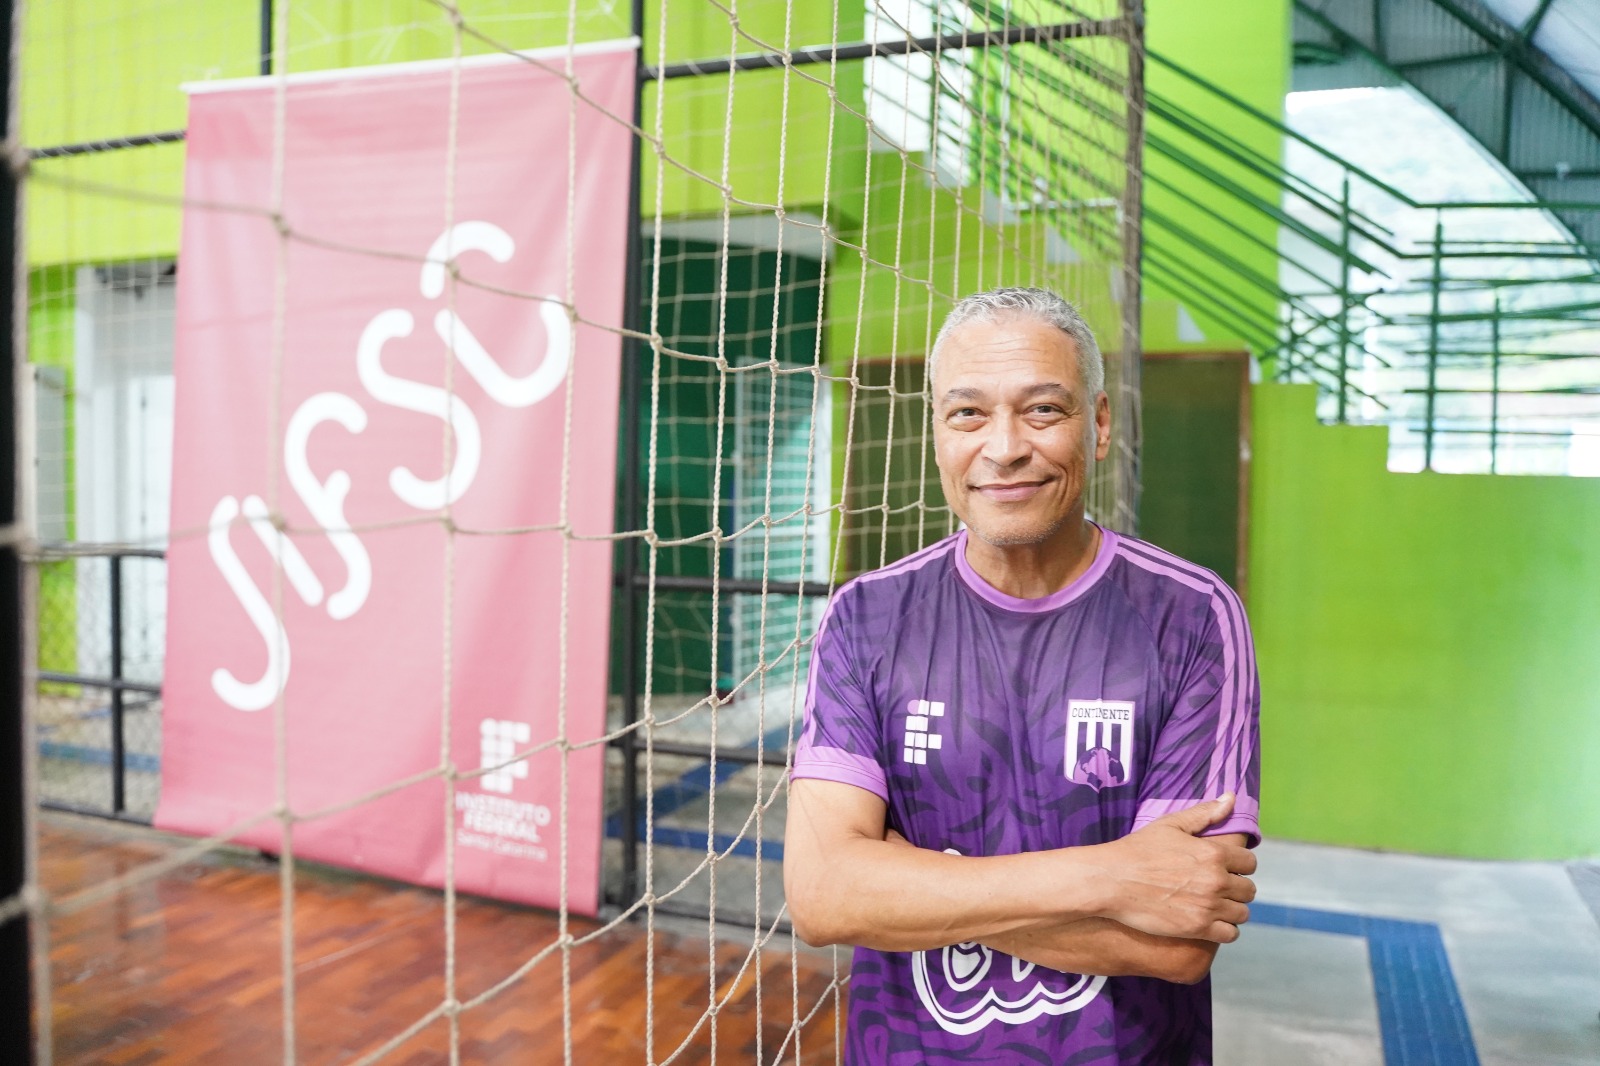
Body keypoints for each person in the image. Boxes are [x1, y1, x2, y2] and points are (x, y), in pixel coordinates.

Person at [783, 286, 1261, 1064]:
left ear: (1099, 424)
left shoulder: (1194, 617)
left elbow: (1179, 940)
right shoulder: (867, 615)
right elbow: (824, 897)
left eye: (1042, 410)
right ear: (937, 433)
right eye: (967, 413)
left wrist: (907, 883)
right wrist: (1114, 876)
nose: (1003, 447)